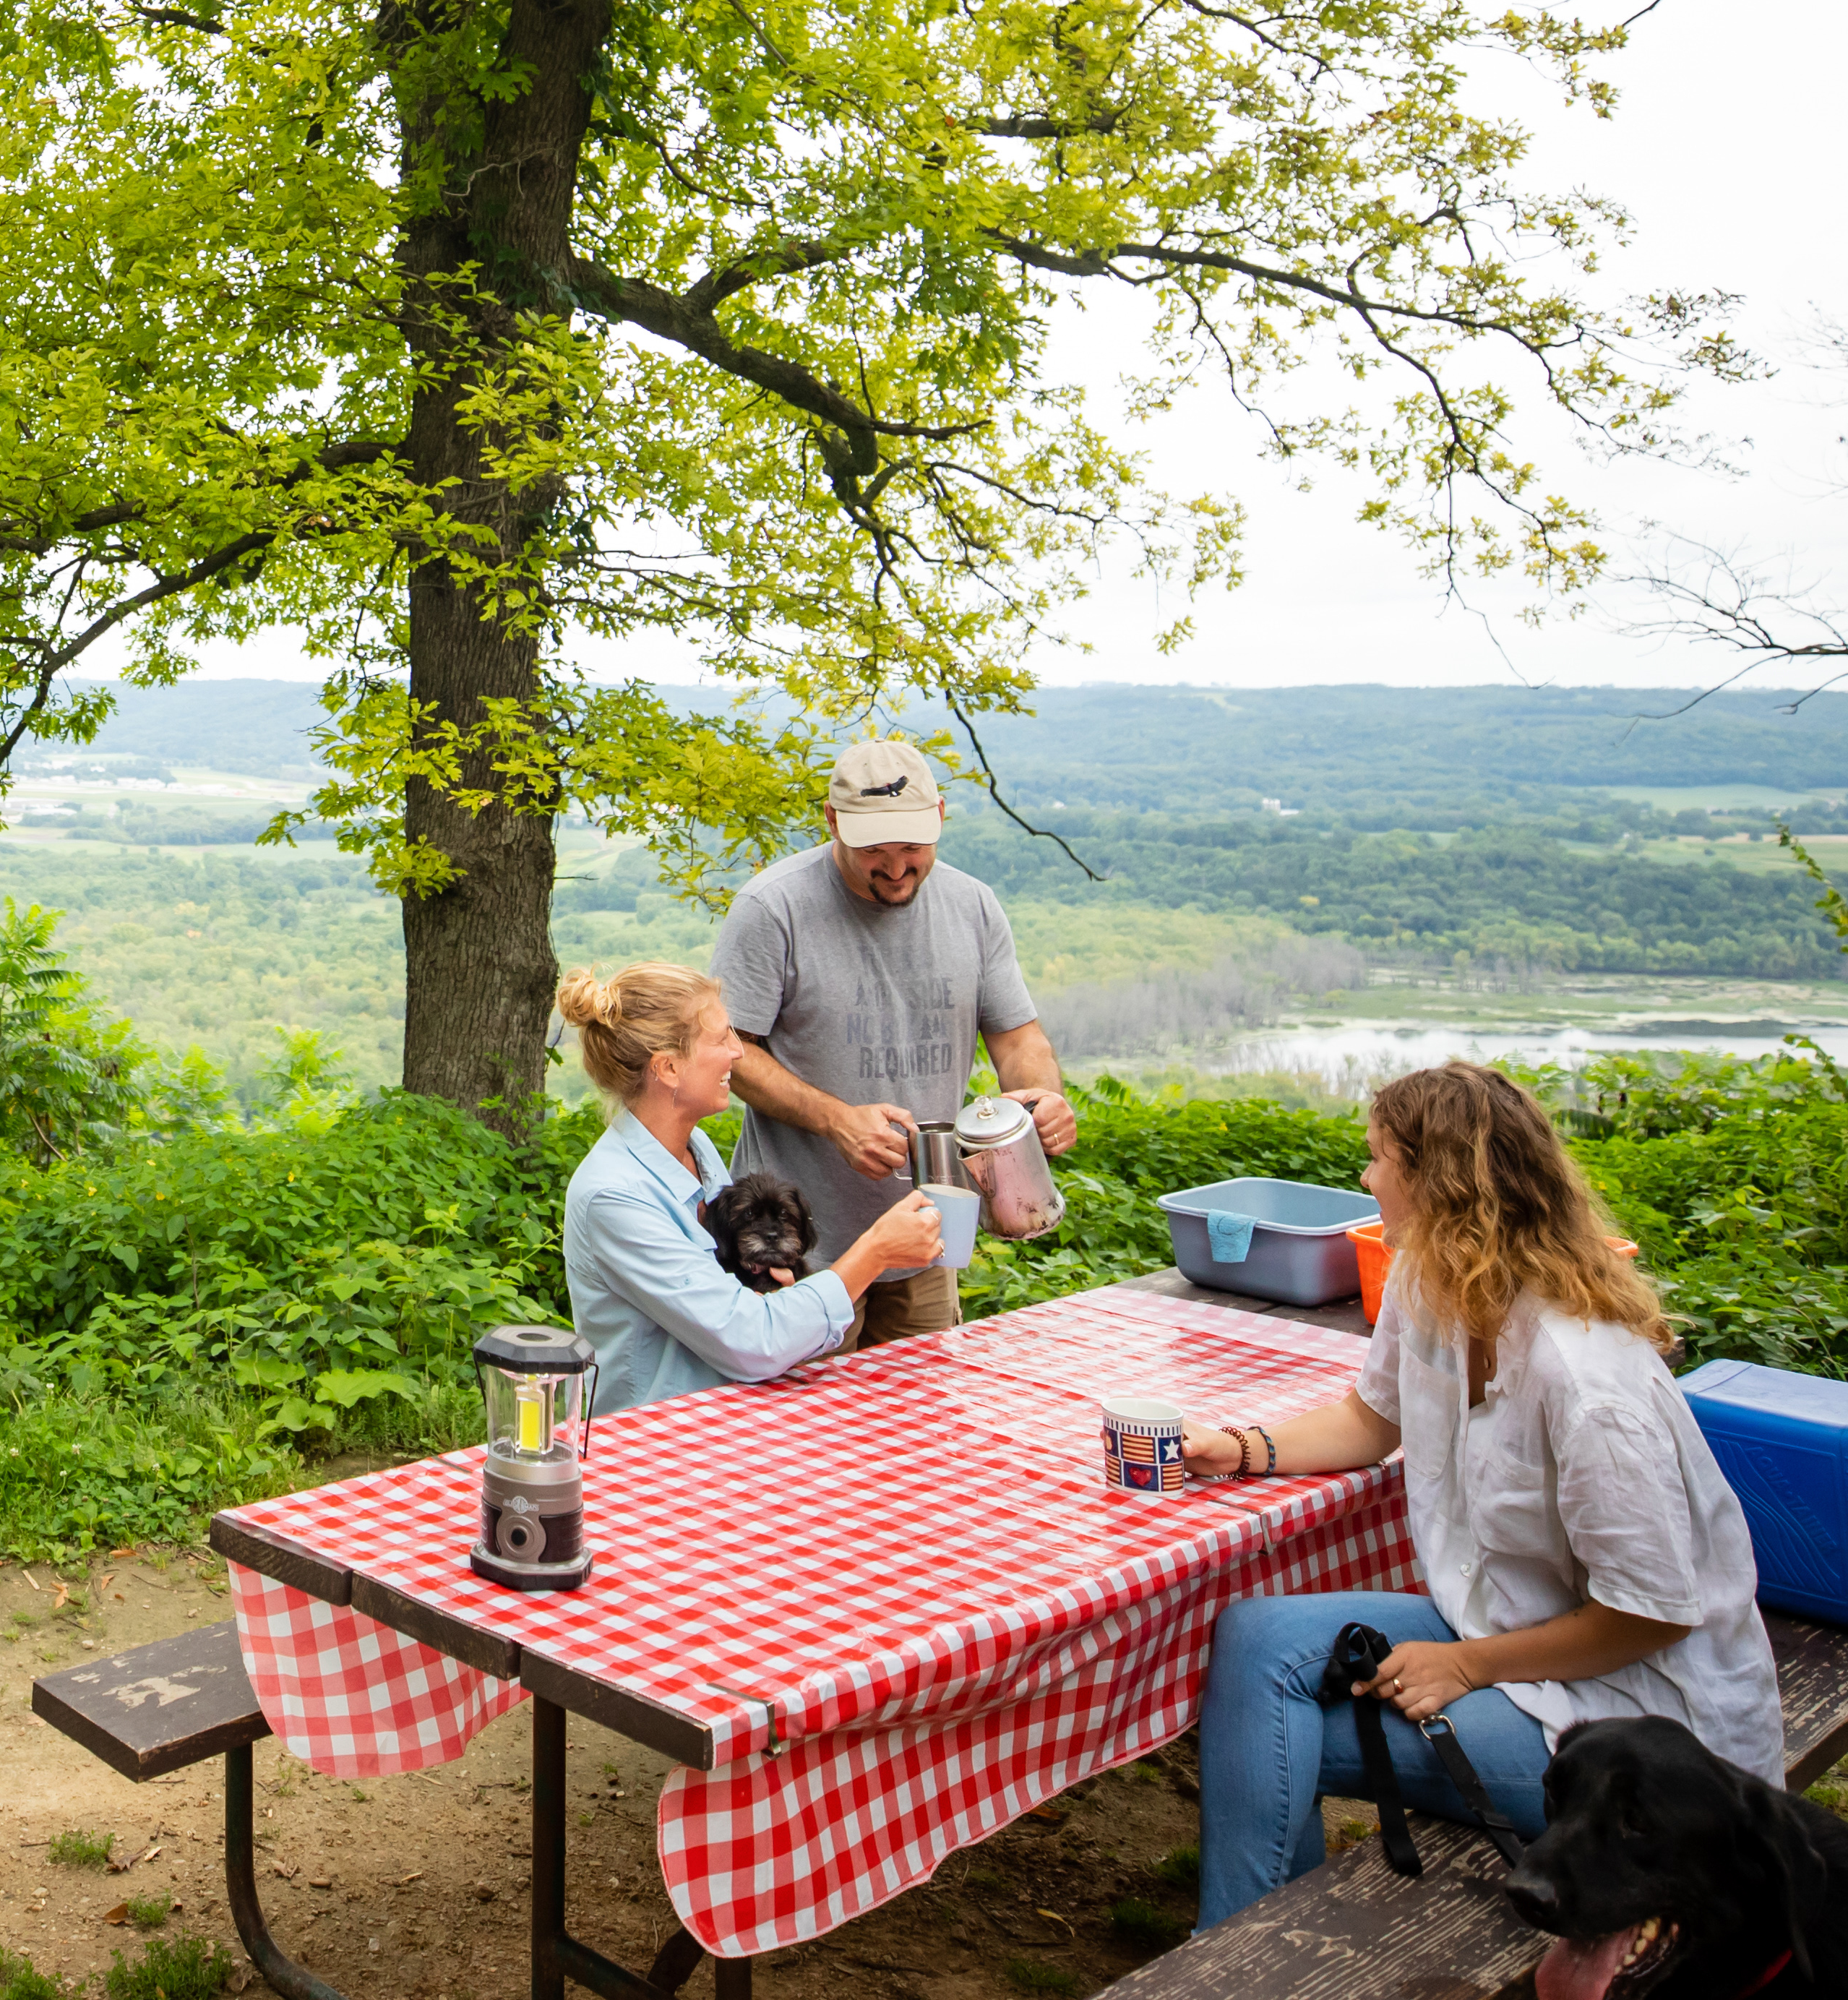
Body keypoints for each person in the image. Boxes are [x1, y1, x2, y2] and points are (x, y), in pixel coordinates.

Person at [1176, 1061, 1777, 1930]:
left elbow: (1654, 1613)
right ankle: (1245, 1943)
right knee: (1256, 1637)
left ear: (1435, 1185)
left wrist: (1463, 1666)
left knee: (1271, 1742)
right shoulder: (1430, 1284)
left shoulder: (1588, 1380)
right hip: (1504, 1625)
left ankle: (1239, 1964)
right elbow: (1368, 1420)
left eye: (1379, 1158)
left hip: (1646, 1726)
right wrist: (1238, 1449)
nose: (1365, 1176)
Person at [710, 739, 1078, 1346]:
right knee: (807, 1432)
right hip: (795, 1250)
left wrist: (1040, 1099)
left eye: (912, 846)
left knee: (924, 1423)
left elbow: (1017, 1038)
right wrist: (836, 1120)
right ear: (832, 821)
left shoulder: (973, 907)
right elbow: (730, 1050)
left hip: (929, 1237)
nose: (897, 866)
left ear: (939, 815)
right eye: (874, 850)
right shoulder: (773, 908)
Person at [554, 961, 945, 1419]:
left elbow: (737, 1300)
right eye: (721, 1039)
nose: (738, 1053)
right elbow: (751, 1339)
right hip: (661, 1439)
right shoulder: (614, 1198)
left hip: (731, 1422)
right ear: (669, 1069)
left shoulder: (694, 1148)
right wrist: (876, 1252)